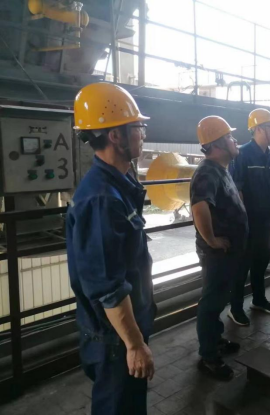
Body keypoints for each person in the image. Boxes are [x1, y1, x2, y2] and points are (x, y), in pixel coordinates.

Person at [67, 83, 155, 415]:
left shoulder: (119, 184)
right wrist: (134, 344)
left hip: (125, 332)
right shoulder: (101, 199)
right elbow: (108, 287)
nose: (143, 134)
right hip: (115, 341)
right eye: (138, 127)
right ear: (116, 136)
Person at [191, 116, 249, 381]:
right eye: (229, 137)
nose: (235, 141)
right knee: (212, 300)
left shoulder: (220, 169)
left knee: (218, 298)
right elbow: (199, 207)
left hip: (227, 252)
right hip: (216, 253)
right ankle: (208, 356)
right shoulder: (206, 172)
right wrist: (212, 240)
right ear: (216, 144)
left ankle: (215, 340)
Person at [228, 108, 270, 326]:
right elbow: (236, 190)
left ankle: (259, 300)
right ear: (257, 129)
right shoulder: (242, 155)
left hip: (267, 221)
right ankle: (235, 308)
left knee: (261, 262)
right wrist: (242, 221)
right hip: (249, 223)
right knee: (242, 266)